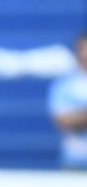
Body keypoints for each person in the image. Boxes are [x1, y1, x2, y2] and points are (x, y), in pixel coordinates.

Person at [47, 32, 87, 168]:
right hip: (76, 162)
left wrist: (78, 115)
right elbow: (64, 120)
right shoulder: (64, 85)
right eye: (82, 49)